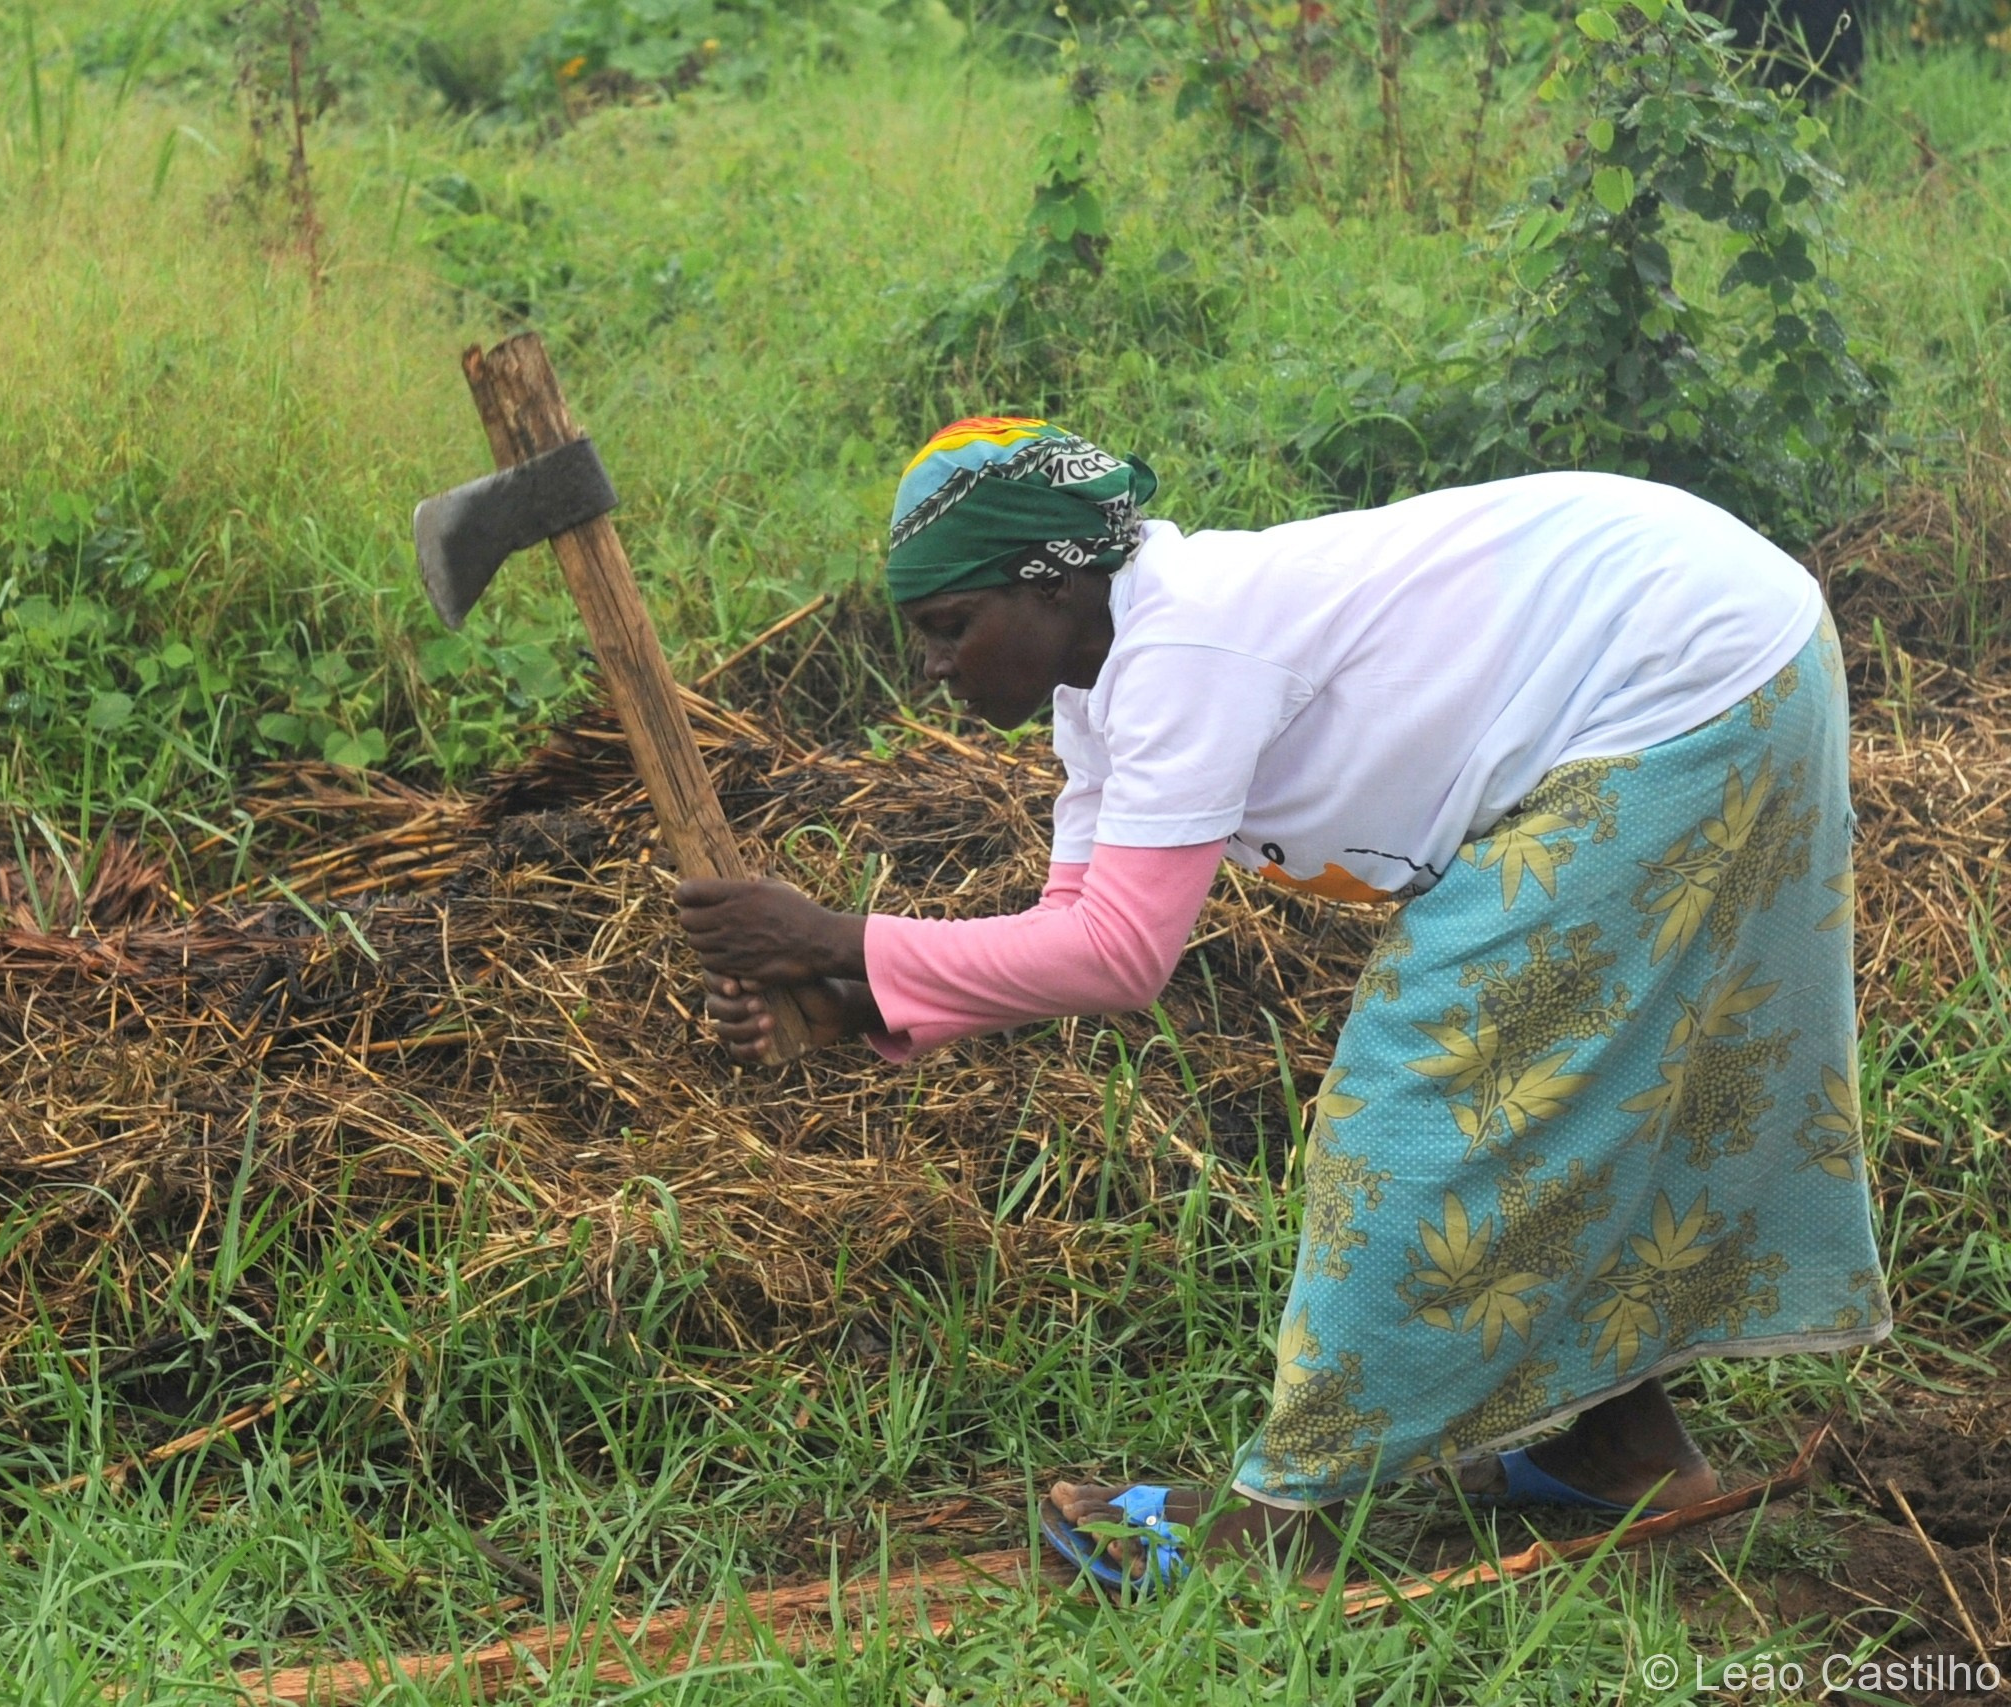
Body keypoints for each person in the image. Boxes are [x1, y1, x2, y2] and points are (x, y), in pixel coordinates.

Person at [677, 417, 1891, 1587]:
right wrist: (854, 996)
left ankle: (1282, 1516)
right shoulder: (1101, 684)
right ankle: (1616, 1449)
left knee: (1430, 1088)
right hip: (1707, 644)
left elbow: (1118, 957)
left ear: (1048, 588)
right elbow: (1072, 936)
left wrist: (835, 930)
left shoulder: (1186, 652)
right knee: (1543, 1088)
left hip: (1689, 673)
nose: (931, 665)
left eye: (949, 625)